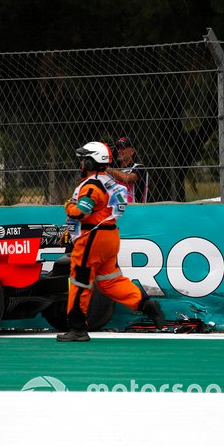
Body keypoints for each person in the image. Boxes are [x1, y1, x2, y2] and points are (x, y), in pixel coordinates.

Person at [58, 142, 164, 342]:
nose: (80, 163)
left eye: (83, 159)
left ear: (90, 161)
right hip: (109, 236)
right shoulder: (109, 181)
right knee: (110, 281)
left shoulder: (91, 185)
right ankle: (145, 305)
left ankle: (77, 328)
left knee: (80, 281)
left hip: (91, 238)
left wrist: (69, 207)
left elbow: (82, 211)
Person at [106, 137, 148, 203]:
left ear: (132, 152)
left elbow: (128, 178)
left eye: (123, 148)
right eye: (118, 148)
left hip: (134, 210)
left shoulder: (139, 168)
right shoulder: (112, 170)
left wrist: (106, 168)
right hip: (115, 210)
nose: (119, 151)